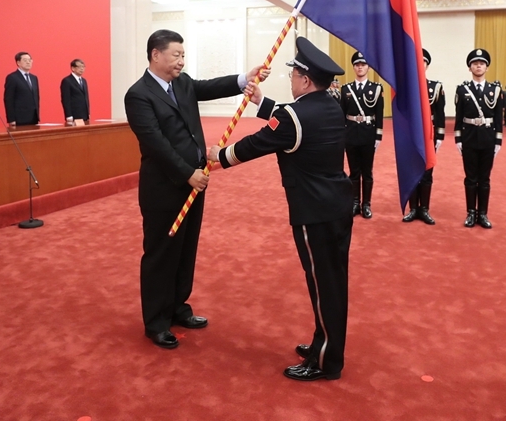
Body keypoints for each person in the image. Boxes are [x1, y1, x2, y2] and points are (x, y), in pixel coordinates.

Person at [208, 37, 352, 382]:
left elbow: (260, 142)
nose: (291, 80)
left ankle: (327, 361)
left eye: (293, 76)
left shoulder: (295, 116)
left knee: (324, 285)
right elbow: (291, 120)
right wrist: (262, 102)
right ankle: (322, 343)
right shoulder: (330, 105)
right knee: (330, 280)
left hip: (313, 210)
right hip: (336, 205)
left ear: (305, 79)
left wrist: (220, 155)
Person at [123, 29, 267, 350]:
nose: (181, 61)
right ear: (156, 55)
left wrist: (244, 78)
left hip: (195, 181)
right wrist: (187, 173)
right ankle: (156, 322)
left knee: (186, 249)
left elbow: (208, 87)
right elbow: (156, 143)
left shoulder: (183, 83)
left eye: (183, 55)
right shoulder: (139, 95)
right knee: (161, 253)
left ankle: (178, 307)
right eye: (176, 55)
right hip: (165, 187)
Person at [455, 48, 503, 229]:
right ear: (470, 68)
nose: (478, 66)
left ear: (487, 67)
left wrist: (498, 141)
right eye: (475, 63)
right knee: (470, 178)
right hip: (469, 138)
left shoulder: (495, 90)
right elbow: (459, 117)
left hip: (488, 138)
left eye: (482, 63)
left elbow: (498, 117)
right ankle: (471, 213)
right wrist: (458, 139)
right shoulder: (462, 90)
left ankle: (482, 214)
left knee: (484, 178)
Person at [340, 51, 384, 219]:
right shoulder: (346, 89)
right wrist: (342, 135)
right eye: (357, 65)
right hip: (351, 134)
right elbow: (341, 115)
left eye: (363, 65)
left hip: (368, 134)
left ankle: (366, 204)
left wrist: (378, 136)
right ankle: (355, 203)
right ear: (353, 68)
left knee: (367, 171)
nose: (360, 67)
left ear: (368, 68)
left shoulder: (376, 89)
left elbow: (379, 114)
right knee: (353, 171)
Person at [404, 48, 444, 225]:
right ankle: (413, 208)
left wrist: (439, 136)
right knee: (412, 171)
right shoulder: (405, 88)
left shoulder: (435, 87)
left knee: (427, 172)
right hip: (411, 135)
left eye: (423, 62)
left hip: (428, 135)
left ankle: (424, 209)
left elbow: (440, 113)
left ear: (427, 65)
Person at [3, 52, 39, 127]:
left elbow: (36, 97)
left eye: (30, 60)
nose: (28, 62)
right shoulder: (12, 77)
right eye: (25, 60)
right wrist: (11, 119)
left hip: (33, 118)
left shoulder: (34, 78)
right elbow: (8, 99)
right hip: (19, 119)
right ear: (18, 62)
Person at [60, 59, 90, 125]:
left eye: (83, 67)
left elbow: (86, 98)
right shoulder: (67, 81)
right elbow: (65, 99)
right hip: (74, 115)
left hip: (84, 115)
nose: (82, 69)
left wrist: (88, 113)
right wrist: (68, 115)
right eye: (79, 67)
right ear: (73, 68)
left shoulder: (84, 81)